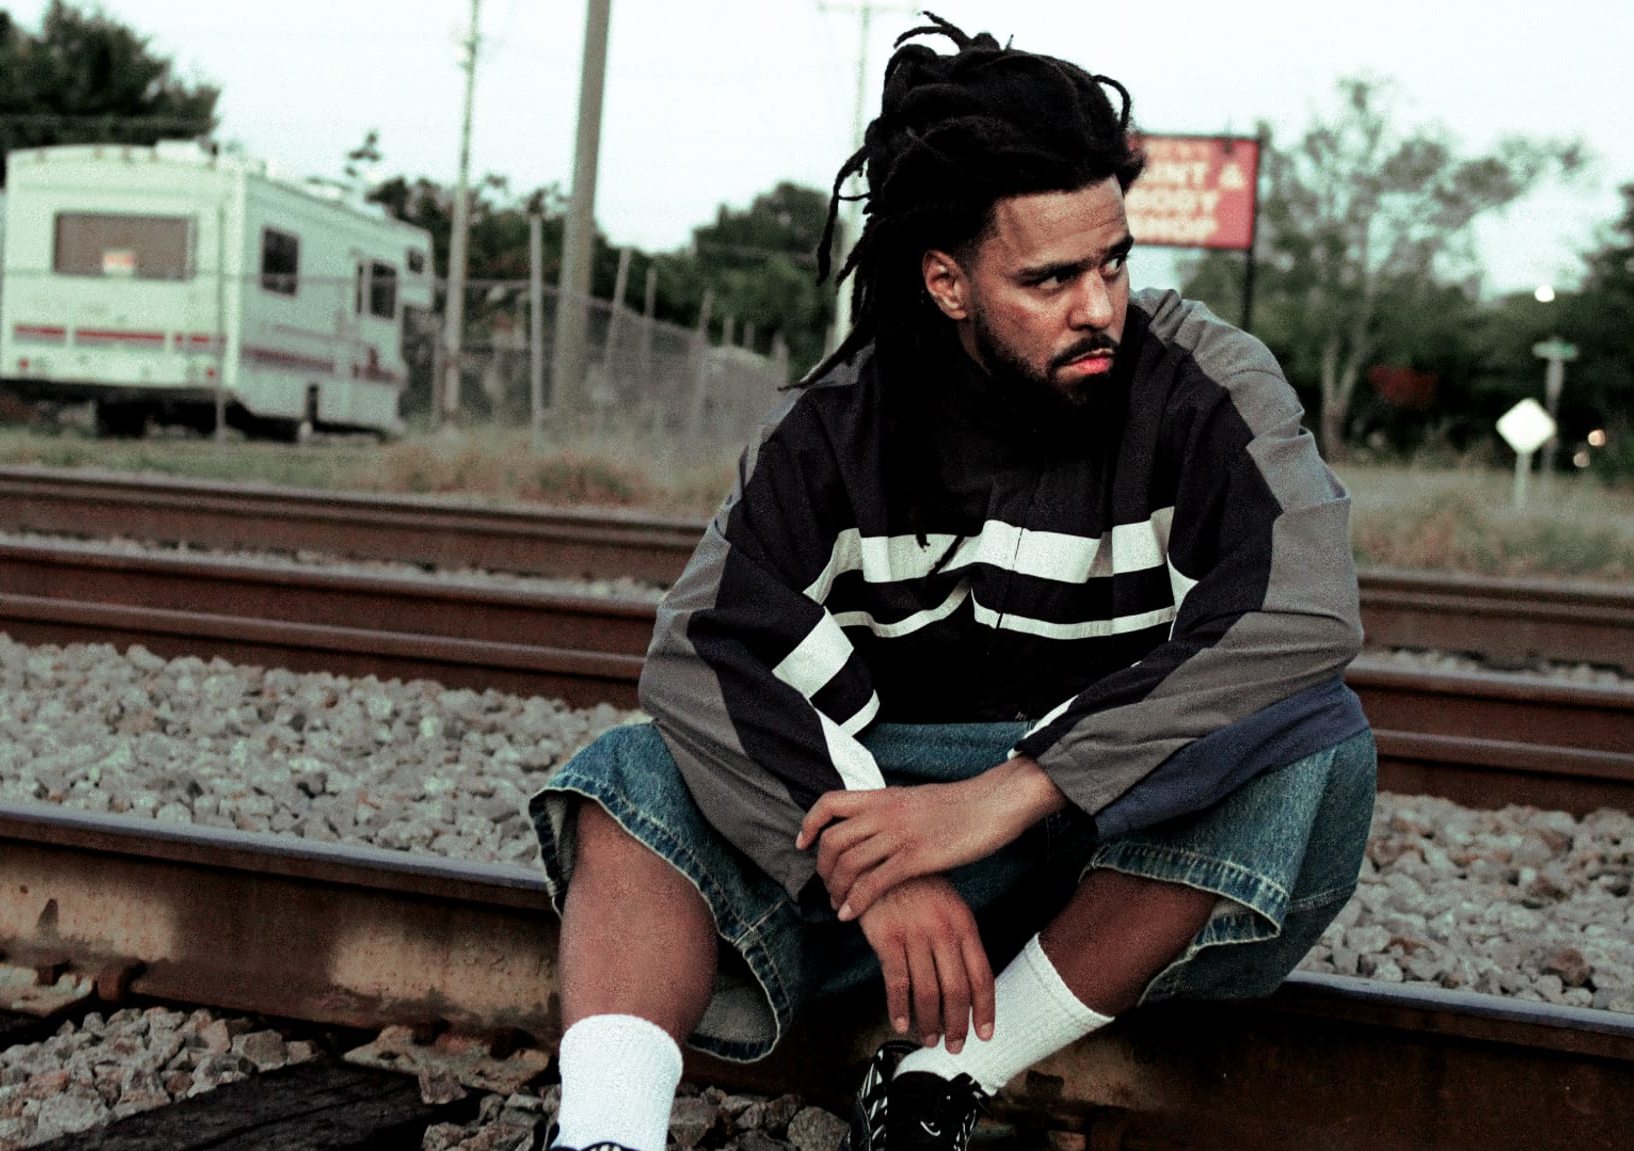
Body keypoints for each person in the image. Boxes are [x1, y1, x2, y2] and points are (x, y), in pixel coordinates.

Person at [529, 15, 1375, 1151]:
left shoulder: (1205, 381)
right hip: (881, 841)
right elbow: (699, 647)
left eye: (1113, 261)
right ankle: (603, 1134)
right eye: (1049, 278)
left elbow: (1304, 607)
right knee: (629, 773)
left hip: (1115, 858)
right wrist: (875, 871)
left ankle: (935, 1080)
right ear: (947, 281)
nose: (1098, 306)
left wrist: (1021, 785)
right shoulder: (836, 428)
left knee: (1310, 733)